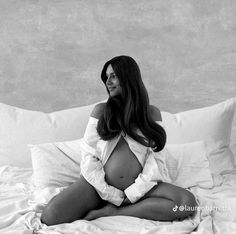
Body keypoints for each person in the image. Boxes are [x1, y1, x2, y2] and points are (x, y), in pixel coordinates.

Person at [41, 55, 198, 225]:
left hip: (141, 189)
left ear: (129, 77)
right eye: (106, 77)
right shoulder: (101, 111)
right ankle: (110, 204)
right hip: (98, 188)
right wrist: (109, 193)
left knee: (187, 205)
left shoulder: (151, 114)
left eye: (114, 76)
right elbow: (89, 156)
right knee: (50, 216)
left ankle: (114, 212)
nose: (108, 82)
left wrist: (133, 193)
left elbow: (156, 160)